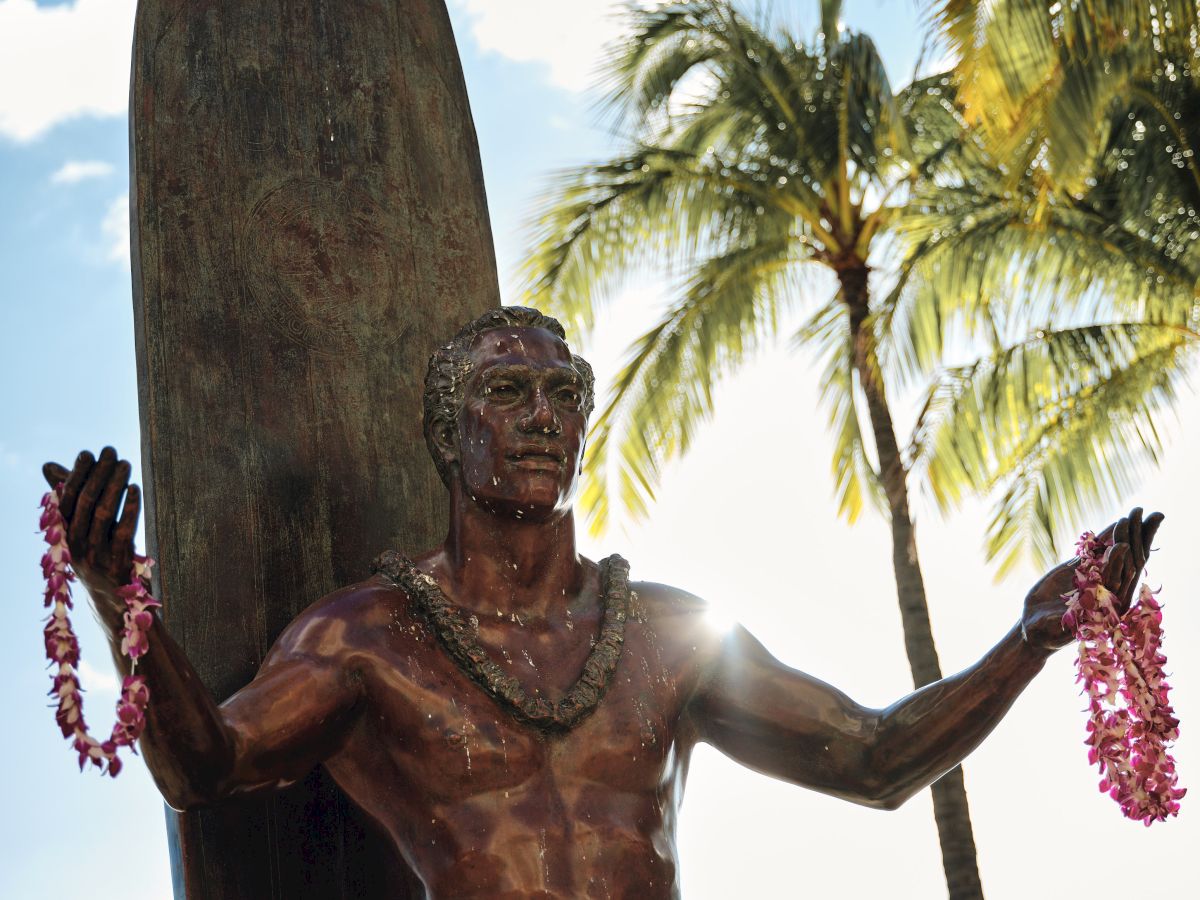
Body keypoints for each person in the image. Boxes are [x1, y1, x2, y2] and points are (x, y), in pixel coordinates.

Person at [44, 306, 1161, 899]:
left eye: (561, 394)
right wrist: (117, 592)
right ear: (449, 433)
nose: (539, 417)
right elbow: (206, 768)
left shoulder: (672, 635)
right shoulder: (368, 640)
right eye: (505, 393)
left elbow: (872, 759)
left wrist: (1029, 638)